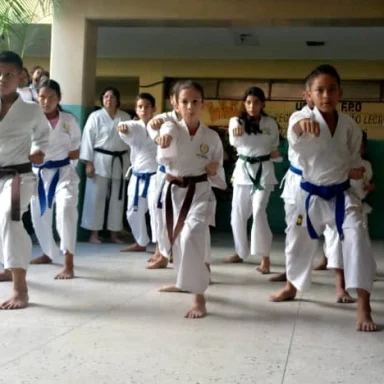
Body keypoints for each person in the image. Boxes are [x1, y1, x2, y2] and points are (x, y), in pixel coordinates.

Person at [270, 64, 376, 332]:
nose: (326, 95)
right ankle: (291, 286)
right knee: (297, 243)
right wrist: (301, 127)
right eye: (319, 90)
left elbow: (353, 159)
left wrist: (356, 171)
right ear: (308, 95)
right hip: (309, 196)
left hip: (342, 194)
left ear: (340, 93)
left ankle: (364, 304)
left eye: (331, 89)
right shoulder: (301, 119)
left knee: (358, 240)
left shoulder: (349, 125)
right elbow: (294, 134)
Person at [156, 80, 226, 318]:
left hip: (200, 191)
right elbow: (165, 135)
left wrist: (215, 168)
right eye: (184, 101)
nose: (190, 106)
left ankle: (199, 298)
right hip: (175, 191)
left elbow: (218, 168)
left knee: (192, 234)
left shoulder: (211, 136)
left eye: (195, 101)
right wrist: (163, 139)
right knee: (177, 240)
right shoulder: (171, 128)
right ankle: (182, 281)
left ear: (202, 104)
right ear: (175, 104)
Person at [0, 50, 50, 308]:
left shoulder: (30, 110)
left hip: (19, 175)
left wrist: (38, 150)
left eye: (8, 73)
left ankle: (21, 288)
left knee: (11, 216)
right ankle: (9, 268)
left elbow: (43, 135)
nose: (1, 78)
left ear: (20, 76)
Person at [223, 87, 280, 274]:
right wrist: (237, 132)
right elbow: (234, 141)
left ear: (263, 104)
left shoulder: (270, 123)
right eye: (248, 102)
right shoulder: (235, 121)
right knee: (237, 215)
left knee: (258, 211)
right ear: (244, 103)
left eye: (256, 102)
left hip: (264, 171)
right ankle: (240, 252)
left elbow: (275, 146)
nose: (252, 106)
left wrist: (277, 154)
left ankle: (265, 258)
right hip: (243, 171)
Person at [29, 80, 81, 280]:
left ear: (59, 98)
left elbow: (76, 148)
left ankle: (69, 261)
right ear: (37, 97)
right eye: (42, 97)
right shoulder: (30, 119)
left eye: (52, 97)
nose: (46, 101)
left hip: (63, 171)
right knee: (39, 215)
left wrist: (69, 163)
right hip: (38, 174)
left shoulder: (69, 120)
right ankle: (49, 252)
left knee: (67, 208)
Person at [80, 87, 131, 244]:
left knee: (117, 199)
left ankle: (114, 233)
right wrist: (88, 163)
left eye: (112, 96)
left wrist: (130, 164)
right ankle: (94, 234)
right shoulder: (95, 117)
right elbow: (87, 140)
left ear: (117, 100)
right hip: (99, 160)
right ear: (102, 100)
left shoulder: (125, 117)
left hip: (120, 160)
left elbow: (131, 142)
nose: (109, 99)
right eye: (106, 96)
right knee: (95, 197)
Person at [117, 93, 159, 254]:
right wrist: (123, 130)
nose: (144, 109)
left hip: (156, 176)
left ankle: (159, 247)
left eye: (147, 106)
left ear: (154, 108)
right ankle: (141, 241)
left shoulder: (159, 126)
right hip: (137, 175)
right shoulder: (134, 126)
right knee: (132, 211)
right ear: (136, 109)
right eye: (140, 106)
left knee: (156, 211)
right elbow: (127, 128)